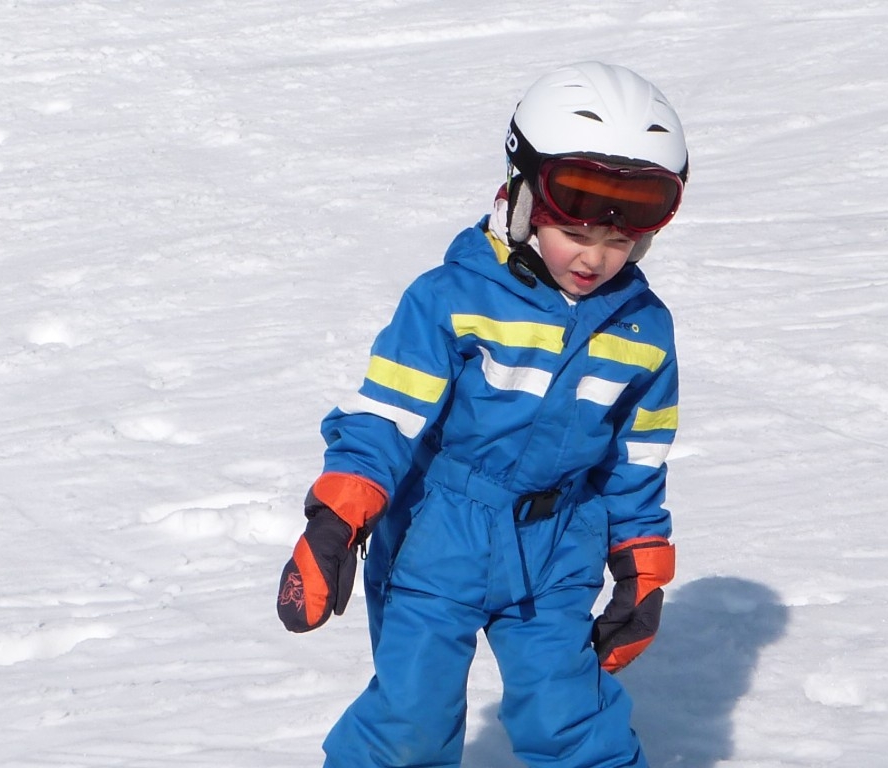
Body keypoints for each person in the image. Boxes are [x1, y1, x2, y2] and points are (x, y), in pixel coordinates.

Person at [278, 61, 688, 768]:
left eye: (619, 241)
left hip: (559, 546)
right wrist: (337, 519)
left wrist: (641, 564)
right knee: (410, 718)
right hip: (439, 537)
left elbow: (637, 459)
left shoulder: (643, 330)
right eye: (575, 231)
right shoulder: (453, 299)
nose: (594, 257)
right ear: (524, 199)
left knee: (571, 718)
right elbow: (387, 417)